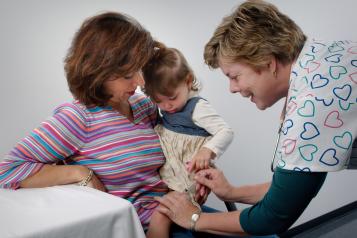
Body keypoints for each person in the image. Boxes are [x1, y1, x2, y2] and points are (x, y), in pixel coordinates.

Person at [155, 0, 357, 236]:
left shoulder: (310, 107)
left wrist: (194, 218)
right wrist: (232, 192)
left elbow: (272, 218)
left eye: (235, 76)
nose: (232, 88)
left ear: (268, 62)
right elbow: (292, 190)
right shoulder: (326, 56)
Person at [0, 12, 205, 237]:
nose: (140, 82)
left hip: (178, 212)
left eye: (140, 69)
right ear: (98, 72)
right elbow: (8, 170)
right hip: (137, 228)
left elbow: (172, 151)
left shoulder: (143, 106)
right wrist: (79, 172)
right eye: (128, 75)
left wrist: (196, 172)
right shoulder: (77, 118)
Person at [142, 43, 234, 238]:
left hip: (189, 177)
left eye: (172, 98)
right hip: (170, 176)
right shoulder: (166, 105)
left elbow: (225, 131)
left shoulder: (197, 108)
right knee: (160, 211)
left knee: (161, 216)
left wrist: (207, 150)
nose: (167, 106)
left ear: (188, 80)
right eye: (159, 101)